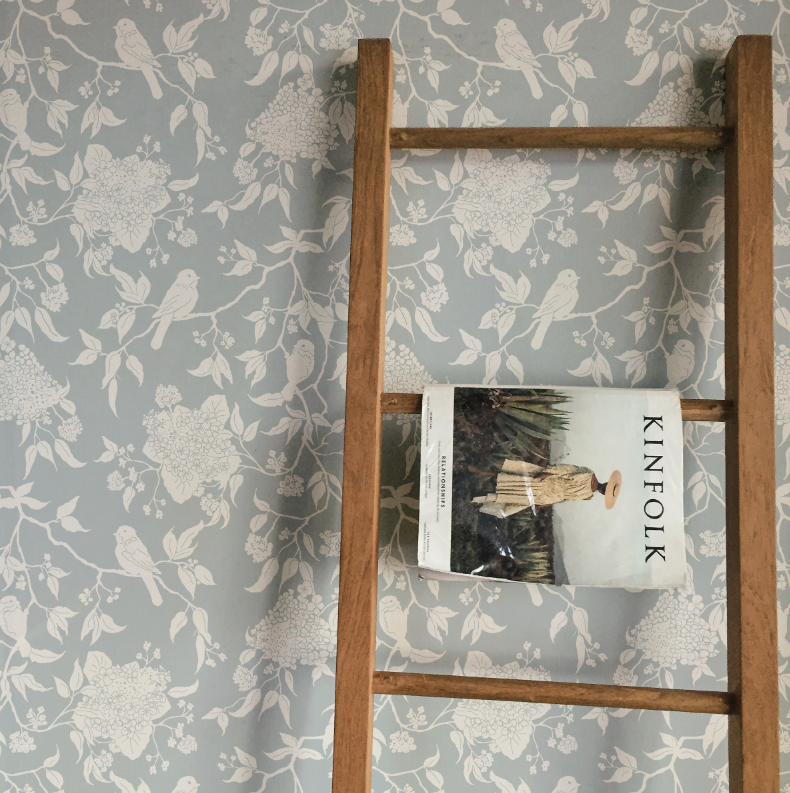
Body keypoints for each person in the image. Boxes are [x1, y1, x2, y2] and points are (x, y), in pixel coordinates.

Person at [471, 460, 621, 518]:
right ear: (606, 483)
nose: (603, 489)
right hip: (548, 483)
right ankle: (481, 472)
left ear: (603, 493)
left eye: (605, 491)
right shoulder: (589, 474)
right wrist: (547, 473)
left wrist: (545, 504)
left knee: (514, 497)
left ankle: (479, 497)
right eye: (606, 488)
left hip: (549, 496)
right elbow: (565, 469)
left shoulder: (588, 496)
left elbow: (565, 499)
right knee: (514, 480)